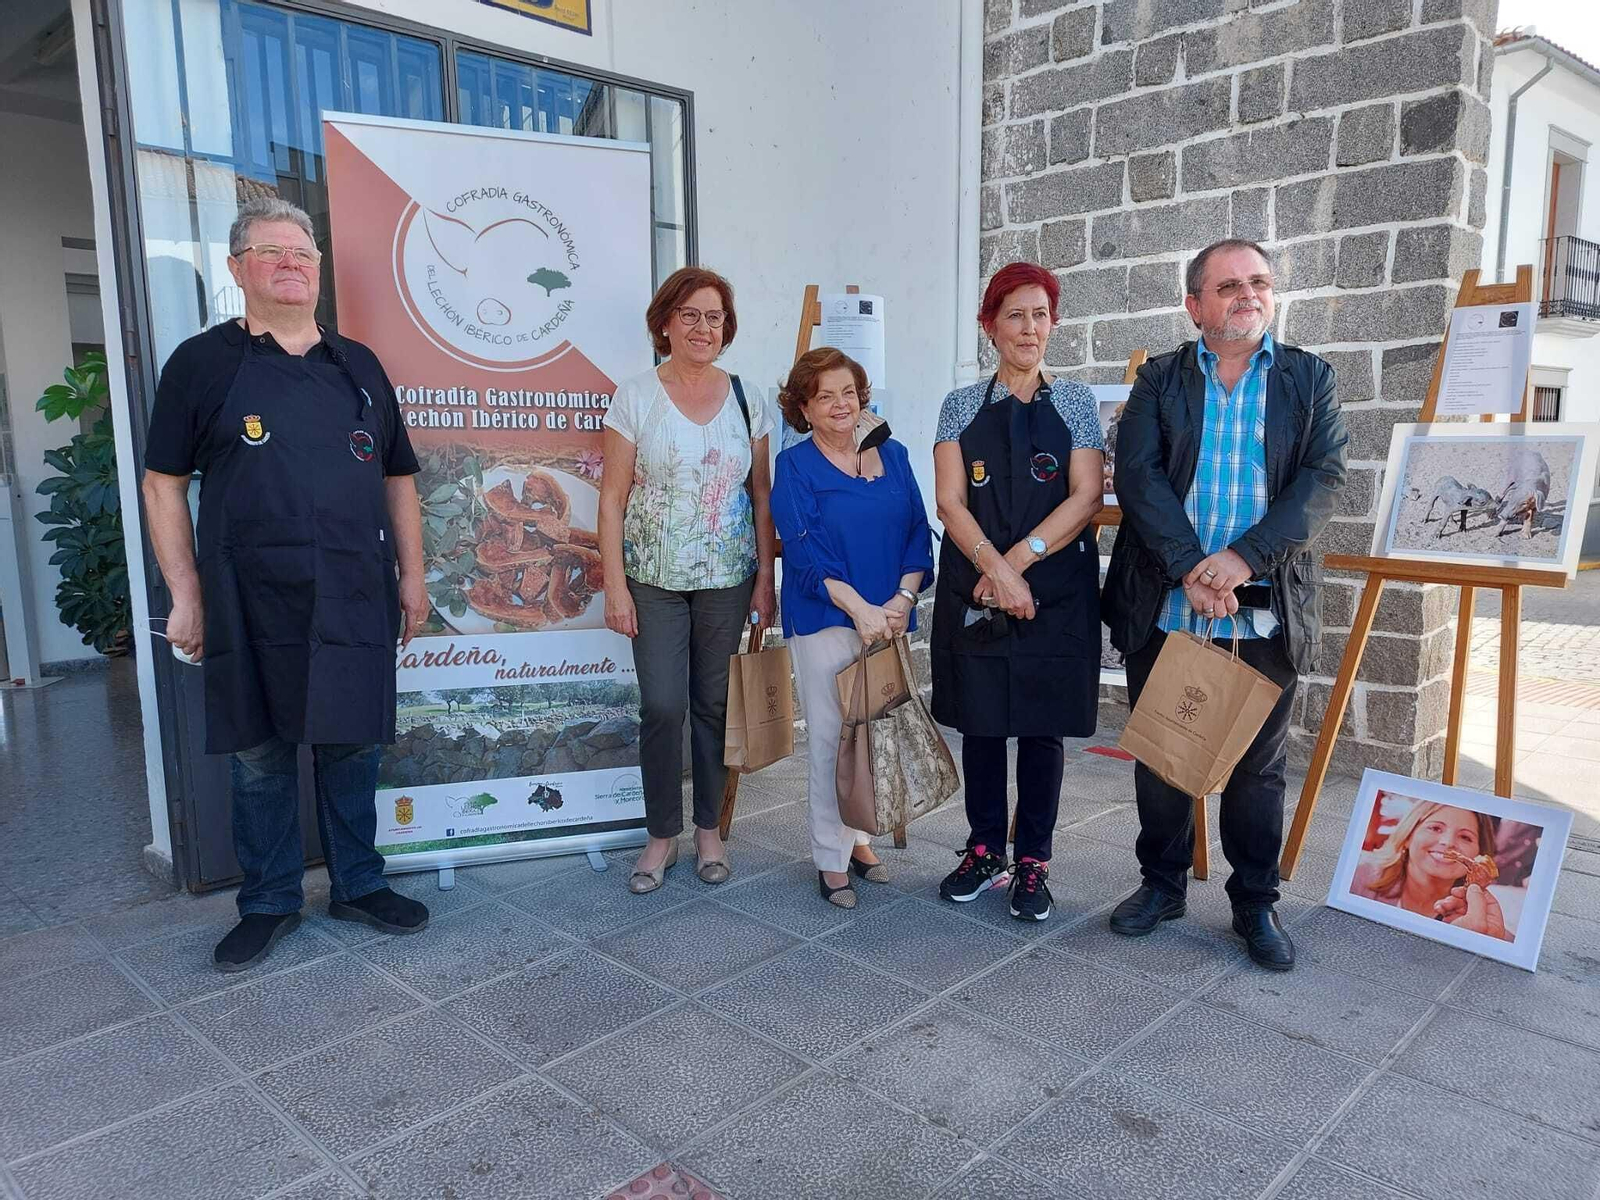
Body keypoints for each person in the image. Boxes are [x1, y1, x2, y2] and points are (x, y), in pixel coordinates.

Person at [141, 197, 430, 973]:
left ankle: (358, 884)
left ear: (318, 268)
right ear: (238, 270)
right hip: (245, 595)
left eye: (302, 252)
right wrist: (186, 594)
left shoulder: (359, 365)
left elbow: (399, 478)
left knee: (351, 745)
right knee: (259, 754)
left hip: (353, 590)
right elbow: (162, 482)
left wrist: (414, 576)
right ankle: (268, 902)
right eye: (270, 251)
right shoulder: (201, 364)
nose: (290, 263)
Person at [1102, 237, 1348, 971]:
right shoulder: (1160, 380)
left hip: (1265, 605)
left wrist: (1240, 560)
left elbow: (1322, 481)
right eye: (1230, 285)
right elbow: (1138, 477)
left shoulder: (1309, 380)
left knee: (1257, 768)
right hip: (1170, 600)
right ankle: (1162, 885)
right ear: (1195, 304)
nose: (1249, 295)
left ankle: (1254, 904)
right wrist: (1191, 570)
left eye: (1260, 283)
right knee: (1164, 756)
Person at [930, 262, 1106, 923]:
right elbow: (950, 500)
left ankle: (1033, 858)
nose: (1028, 328)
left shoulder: (1077, 404)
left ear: (1053, 324)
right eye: (1014, 315)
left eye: (1039, 314)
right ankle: (983, 847)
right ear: (989, 326)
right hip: (975, 582)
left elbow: (1086, 494)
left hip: (1055, 586)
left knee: (1040, 725)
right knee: (981, 719)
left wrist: (1020, 561)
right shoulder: (960, 405)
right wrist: (995, 570)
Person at [599, 267, 777, 893]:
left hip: (729, 578)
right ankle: (660, 834)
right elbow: (613, 498)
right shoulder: (635, 397)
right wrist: (615, 586)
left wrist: (764, 580)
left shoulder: (750, 399)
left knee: (713, 706)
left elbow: (761, 499)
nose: (704, 328)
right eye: (692, 315)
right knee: (662, 705)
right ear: (666, 323)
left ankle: (708, 832)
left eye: (716, 317)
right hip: (651, 577)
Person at [771, 348, 934, 908]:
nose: (841, 405)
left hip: (888, 616)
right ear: (804, 408)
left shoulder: (896, 454)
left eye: (849, 392)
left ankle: (860, 837)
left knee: (875, 729)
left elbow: (918, 531)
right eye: (825, 396)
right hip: (826, 619)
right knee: (831, 739)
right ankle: (829, 856)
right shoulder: (794, 467)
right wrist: (862, 610)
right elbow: (805, 554)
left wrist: (902, 598)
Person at [1350, 803, 1512, 940]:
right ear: (1408, 836)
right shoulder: (1356, 876)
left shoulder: (1492, 928)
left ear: (1479, 855)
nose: (1448, 842)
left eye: (1465, 837)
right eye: (1435, 828)